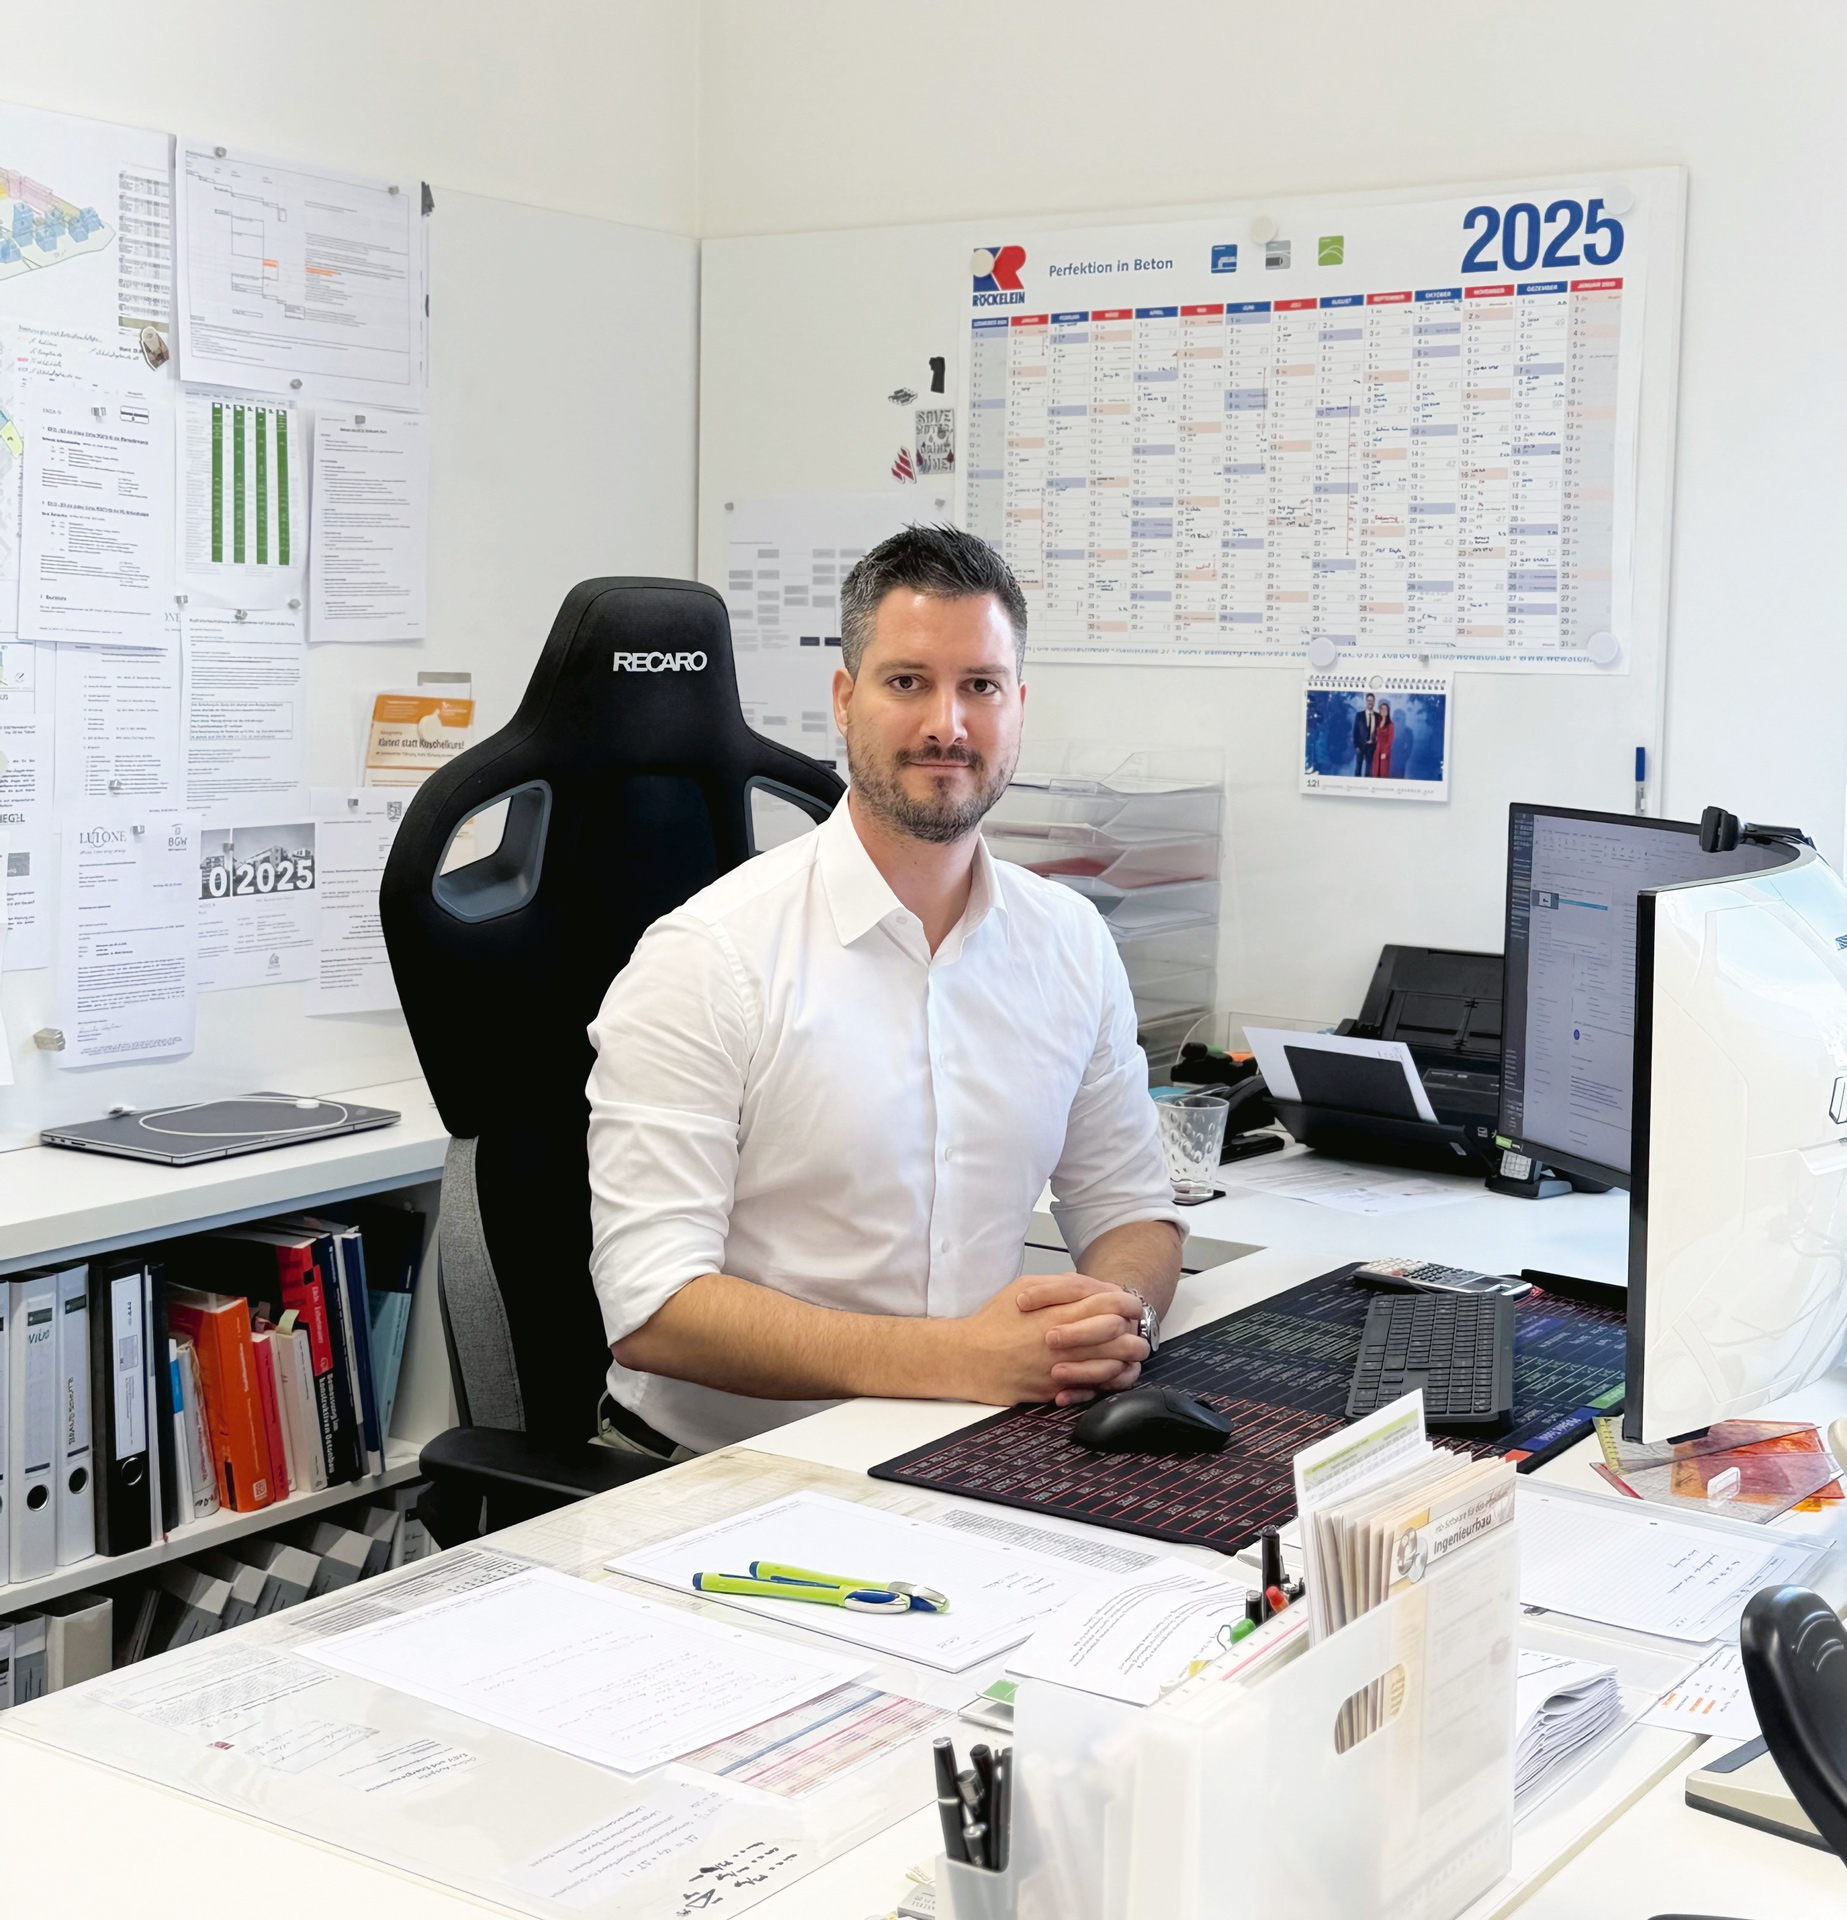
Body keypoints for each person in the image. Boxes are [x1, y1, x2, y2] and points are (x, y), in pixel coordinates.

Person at [585, 525, 1186, 1458]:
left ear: (1018, 707)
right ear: (844, 700)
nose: (948, 724)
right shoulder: (707, 957)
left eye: (980, 686)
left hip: (969, 1447)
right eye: (907, 682)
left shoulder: (1069, 941)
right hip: (714, 1471)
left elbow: (1127, 1208)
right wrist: (966, 1360)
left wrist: (1116, 1320)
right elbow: (654, 1308)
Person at [1352, 692, 1376, 776]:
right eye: (1368, 700)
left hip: (1372, 747)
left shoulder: (1377, 716)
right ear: (1366, 701)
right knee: (1358, 768)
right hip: (1361, 746)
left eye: (1372, 701)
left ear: (1374, 702)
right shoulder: (1359, 715)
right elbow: (1355, 732)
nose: (1370, 703)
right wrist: (1356, 746)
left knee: (1369, 769)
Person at [1372, 699, 1395, 779]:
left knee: (1383, 771)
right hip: (1376, 749)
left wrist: (1385, 752)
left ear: (1388, 711)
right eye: (1382, 709)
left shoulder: (1390, 724)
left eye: (1385, 709)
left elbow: (1390, 740)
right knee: (1375, 771)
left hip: (1384, 750)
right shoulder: (1377, 722)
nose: (1383, 710)